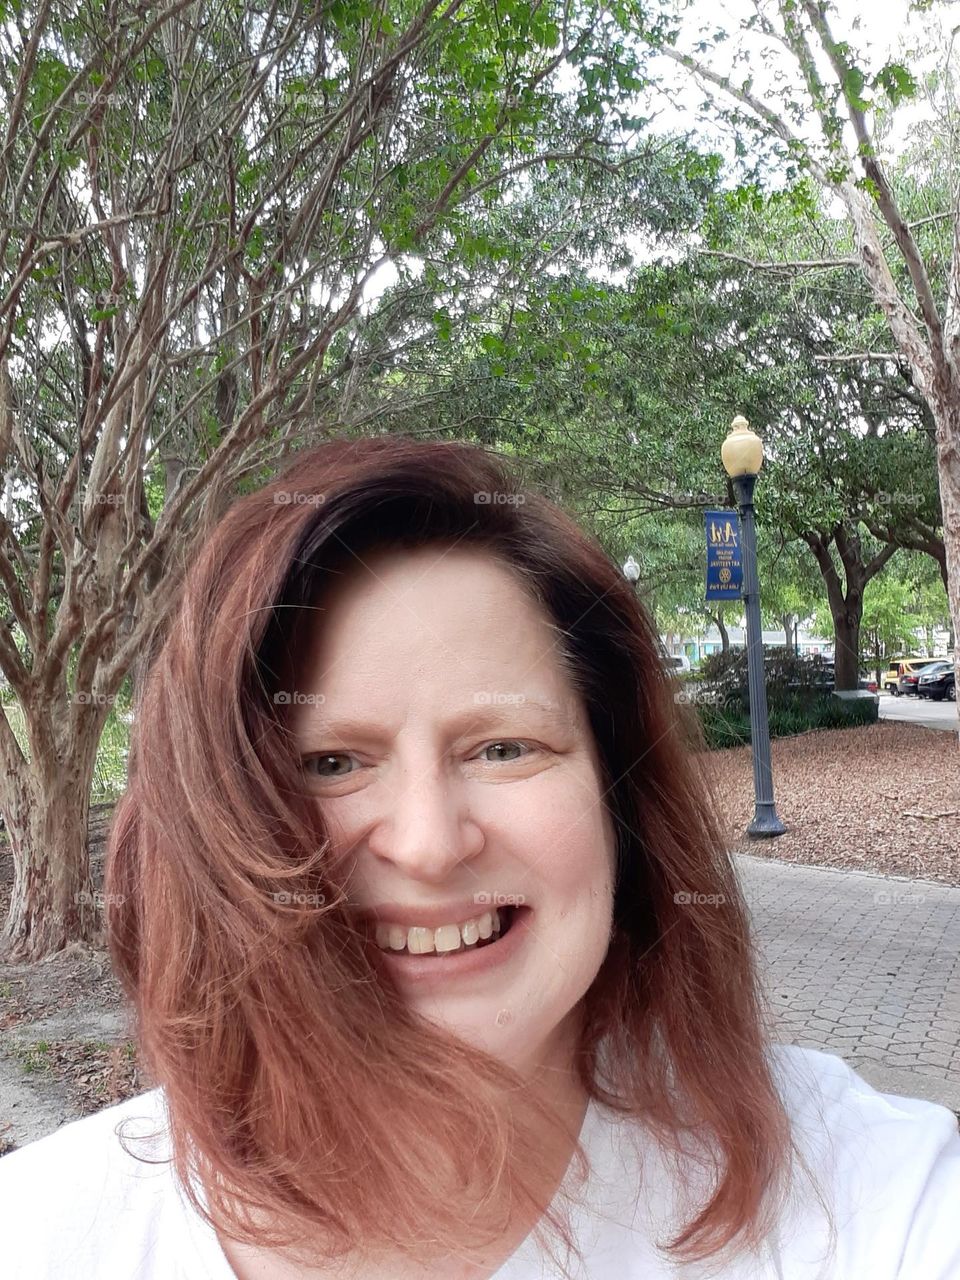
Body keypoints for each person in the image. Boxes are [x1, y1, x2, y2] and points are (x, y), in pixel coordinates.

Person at [1, 434, 958, 1280]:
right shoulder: (43, 1233)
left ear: (617, 800)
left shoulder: (864, 1189)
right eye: (330, 763)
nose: (427, 843)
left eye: (504, 748)